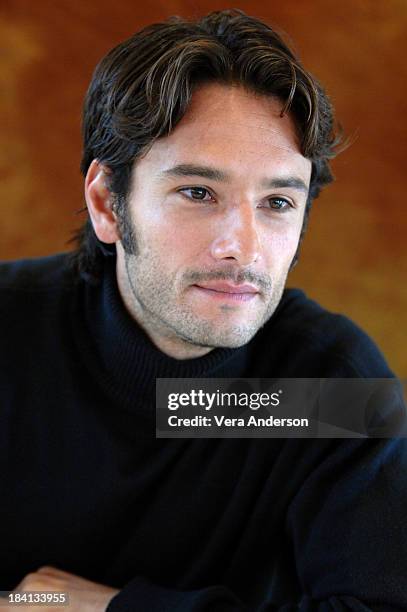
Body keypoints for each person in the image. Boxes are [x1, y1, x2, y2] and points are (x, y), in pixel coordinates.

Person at [1, 8, 406, 611]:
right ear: (107, 205)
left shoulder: (325, 390)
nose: (242, 247)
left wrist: (112, 609)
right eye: (197, 193)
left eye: (276, 201)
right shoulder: (11, 333)